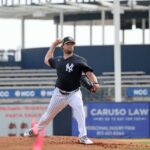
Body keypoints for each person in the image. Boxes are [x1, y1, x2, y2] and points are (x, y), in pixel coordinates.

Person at [24, 36, 100, 144]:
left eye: (72, 44)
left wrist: (95, 83)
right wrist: (53, 45)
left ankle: (83, 136)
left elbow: (89, 73)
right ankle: (36, 130)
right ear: (63, 46)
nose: (70, 45)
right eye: (68, 43)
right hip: (59, 93)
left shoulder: (79, 60)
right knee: (47, 116)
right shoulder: (58, 60)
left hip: (74, 93)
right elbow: (47, 60)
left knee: (80, 112)